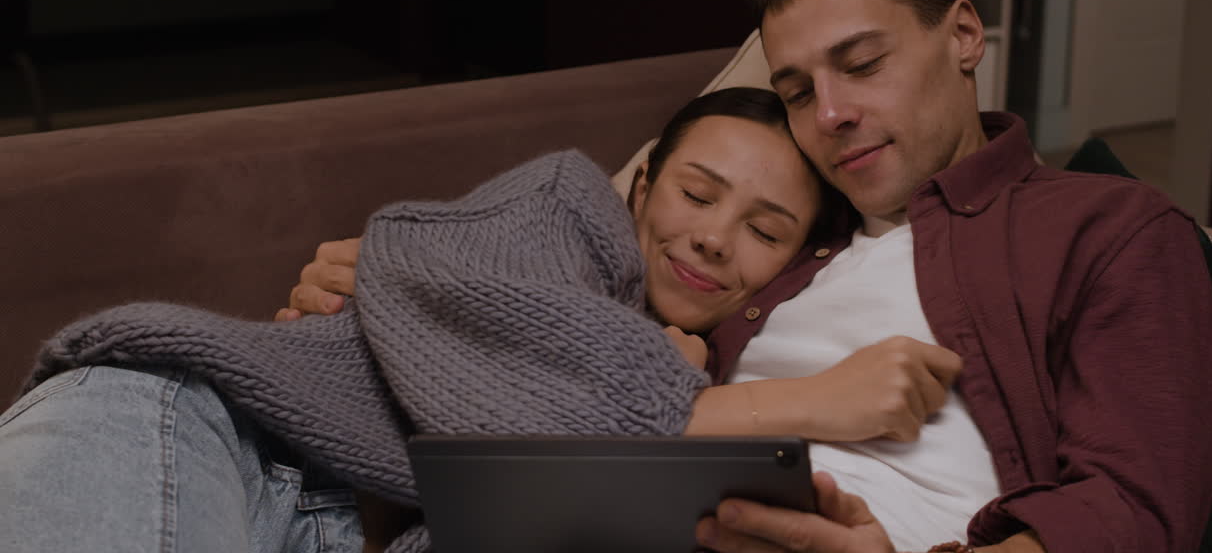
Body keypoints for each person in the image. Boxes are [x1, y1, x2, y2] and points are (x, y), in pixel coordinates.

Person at [291, 0, 1212, 553]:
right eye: (797, 89)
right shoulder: (779, 245)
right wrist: (388, 294)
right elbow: (554, 344)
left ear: (965, 35)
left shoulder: (1107, 229)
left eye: (862, 64)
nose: (832, 114)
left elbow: (1138, 505)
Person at [0, 86, 962, 553]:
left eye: (763, 228)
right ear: (640, 191)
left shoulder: (694, 360)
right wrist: (816, 404)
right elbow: (511, 398)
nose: (712, 240)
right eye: (696, 194)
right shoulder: (559, 210)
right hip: (205, 434)